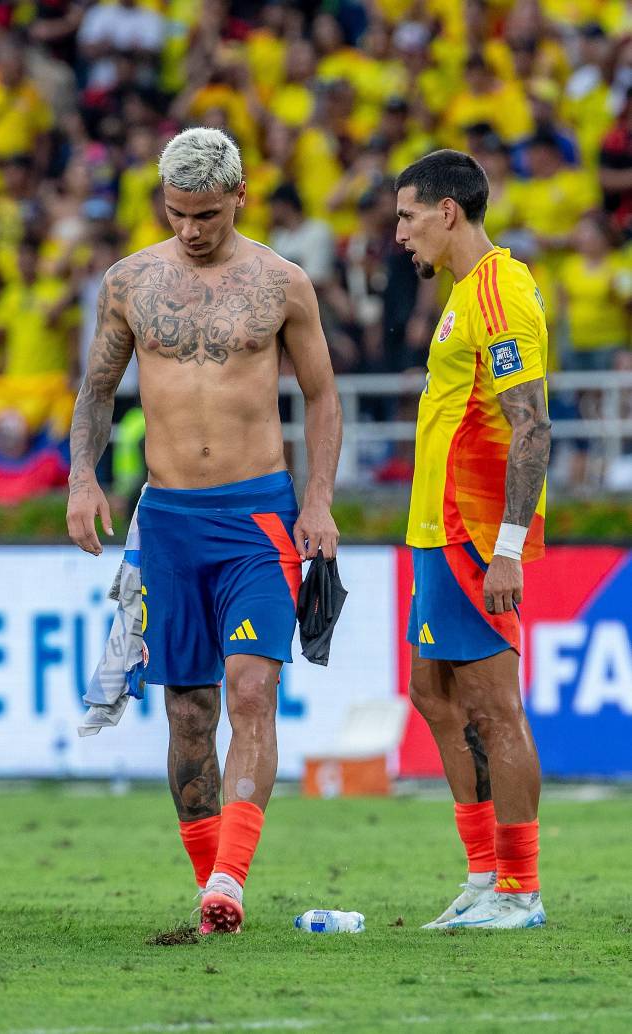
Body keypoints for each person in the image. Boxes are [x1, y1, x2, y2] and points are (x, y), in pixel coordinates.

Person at [66, 127, 342, 935]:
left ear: (240, 198)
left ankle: (231, 877)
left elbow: (323, 396)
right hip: (169, 521)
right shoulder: (129, 282)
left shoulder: (282, 283)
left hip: (257, 515)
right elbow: (96, 390)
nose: (192, 229)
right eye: (179, 213)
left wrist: (317, 500)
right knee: (188, 709)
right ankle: (210, 890)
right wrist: (82, 479)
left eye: (208, 215)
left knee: (253, 689)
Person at [395, 149, 551, 930]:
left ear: (448, 211)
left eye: (408, 215)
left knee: (494, 707)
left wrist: (509, 547)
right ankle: (485, 873)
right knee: (434, 693)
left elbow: (532, 424)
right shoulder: (462, 295)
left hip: (473, 534)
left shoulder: (501, 289)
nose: (399, 234)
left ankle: (519, 891)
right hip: (436, 529)